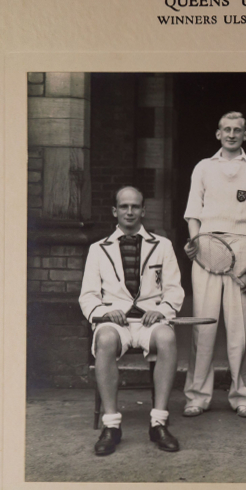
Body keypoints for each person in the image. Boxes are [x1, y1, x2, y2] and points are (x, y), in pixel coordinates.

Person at [79, 186, 185, 455]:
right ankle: (112, 425)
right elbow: (88, 296)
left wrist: (162, 310)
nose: (129, 211)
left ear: (143, 210)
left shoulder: (162, 245)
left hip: (150, 321)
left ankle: (158, 421)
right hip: (116, 321)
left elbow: (174, 289)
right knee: (104, 338)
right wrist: (104, 312)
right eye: (124, 206)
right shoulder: (98, 249)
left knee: (167, 337)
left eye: (135, 206)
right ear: (115, 211)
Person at [182, 111, 246, 418]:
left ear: (245, 135)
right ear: (218, 134)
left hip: (242, 248)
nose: (231, 134)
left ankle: (242, 396)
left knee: (241, 329)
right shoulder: (204, 168)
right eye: (226, 130)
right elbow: (193, 211)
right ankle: (196, 395)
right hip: (206, 249)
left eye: (237, 130)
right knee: (202, 327)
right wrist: (196, 244)